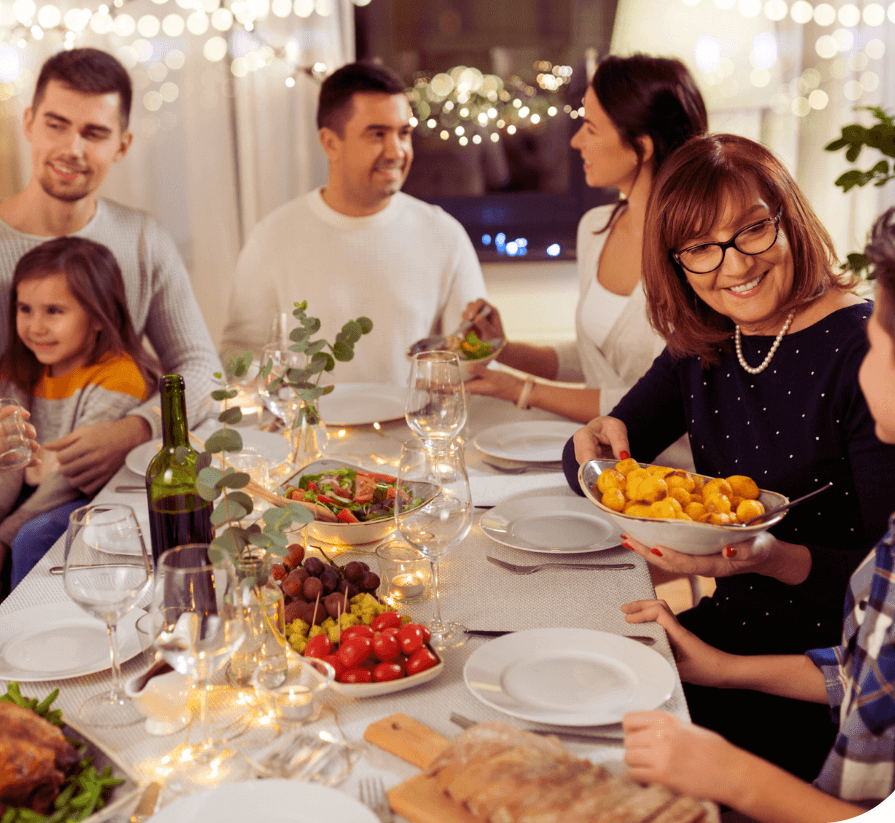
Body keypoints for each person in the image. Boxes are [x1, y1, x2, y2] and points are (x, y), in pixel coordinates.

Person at [564, 133, 895, 782]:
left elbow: (886, 584)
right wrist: (596, 443)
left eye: (752, 231)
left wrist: (775, 560)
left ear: (789, 222)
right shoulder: (709, 339)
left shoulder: (869, 355)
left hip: (833, 676)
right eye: (700, 248)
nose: (733, 264)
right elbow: (600, 461)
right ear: (676, 261)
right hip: (720, 633)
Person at [0, 47, 219, 492]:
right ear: (29, 124)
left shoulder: (143, 240)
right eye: (56, 125)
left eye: (94, 133)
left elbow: (202, 372)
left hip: (106, 498)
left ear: (122, 145)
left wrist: (137, 428)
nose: (71, 149)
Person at [0, 237, 160, 660]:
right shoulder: (18, 371)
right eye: (26, 310)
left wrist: (1, 538)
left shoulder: (119, 377)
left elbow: (66, 477)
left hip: (86, 494)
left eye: (54, 312)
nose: (36, 326)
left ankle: (30, 634)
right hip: (32, 486)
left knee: (32, 537)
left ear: (98, 317)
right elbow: (7, 464)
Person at [462, 55, 708, 424]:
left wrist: (519, 390)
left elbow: (664, 400)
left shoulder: (699, 254)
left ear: (641, 146)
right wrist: (502, 349)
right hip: (601, 456)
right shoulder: (596, 229)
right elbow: (598, 360)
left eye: (590, 129)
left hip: (671, 470)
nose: (576, 141)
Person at [219, 61, 487, 385]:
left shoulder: (445, 235)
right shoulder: (272, 237)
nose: (397, 151)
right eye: (377, 135)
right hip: (312, 434)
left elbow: (473, 361)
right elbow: (239, 356)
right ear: (331, 144)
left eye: (404, 133)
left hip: (411, 432)